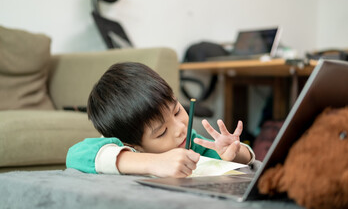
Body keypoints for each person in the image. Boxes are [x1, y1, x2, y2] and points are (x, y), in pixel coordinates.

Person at [66, 62, 255, 178]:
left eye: (177, 111)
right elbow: (76, 155)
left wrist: (235, 153)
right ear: (133, 144)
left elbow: (229, 163)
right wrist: (154, 163)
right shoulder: (124, 147)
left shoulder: (190, 142)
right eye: (162, 132)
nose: (180, 128)